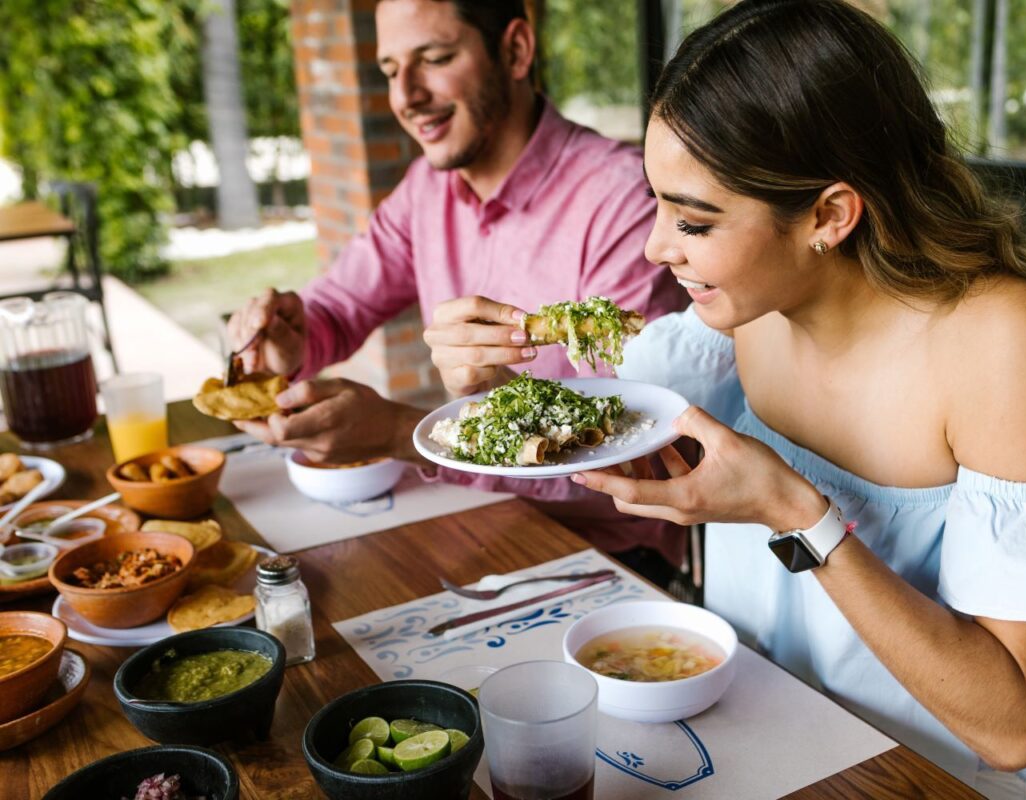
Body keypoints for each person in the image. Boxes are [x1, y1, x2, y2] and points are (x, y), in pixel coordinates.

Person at [573, 1, 1026, 797]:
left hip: (930, 773)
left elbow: (1014, 726)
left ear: (828, 215)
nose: (655, 248)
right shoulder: (753, 306)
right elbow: (630, 399)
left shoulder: (1007, 343)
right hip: (764, 731)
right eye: (659, 203)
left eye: (694, 222)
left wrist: (797, 514)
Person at [226, 0, 687, 582]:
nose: (406, 96)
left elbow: (635, 452)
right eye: (391, 70)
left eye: (436, 58)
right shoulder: (427, 188)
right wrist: (290, 339)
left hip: (608, 554)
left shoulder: (622, 201)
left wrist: (400, 434)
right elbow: (340, 306)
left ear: (516, 50)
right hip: (473, 518)